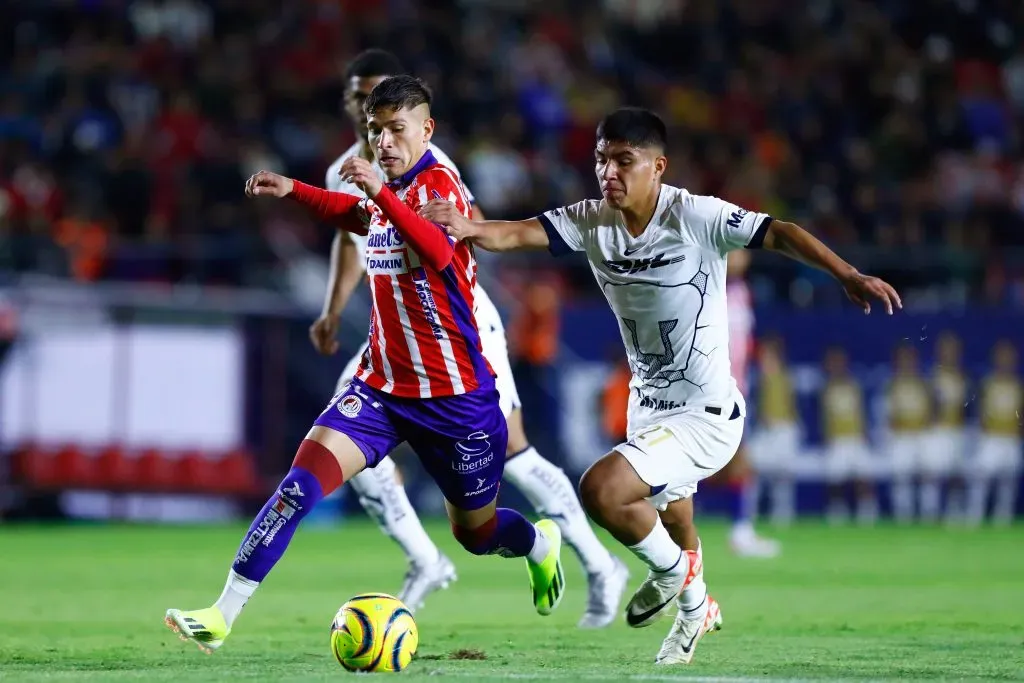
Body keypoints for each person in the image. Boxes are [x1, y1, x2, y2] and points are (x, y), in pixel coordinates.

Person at [419, 107, 901, 664]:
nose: (610, 173)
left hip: (705, 414)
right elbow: (519, 232)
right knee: (675, 520)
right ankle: (698, 608)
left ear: (658, 166)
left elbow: (779, 232)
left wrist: (847, 274)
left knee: (602, 489)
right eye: (602, 160)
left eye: (625, 161)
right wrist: (471, 227)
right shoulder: (591, 218)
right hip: (648, 406)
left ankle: (680, 583)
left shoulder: (696, 215)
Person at [164, 76, 565, 654]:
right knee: (298, 487)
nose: (384, 141)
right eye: (377, 130)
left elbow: (436, 247)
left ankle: (537, 544)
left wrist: (381, 192)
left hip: (456, 399)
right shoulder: (388, 190)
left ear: (426, 129)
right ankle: (222, 613)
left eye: (397, 129)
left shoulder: (439, 183)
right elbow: (362, 220)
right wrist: (294, 190)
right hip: (380, 388)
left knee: (475, 535)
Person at [312, 49, 626, 626]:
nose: (369, 110)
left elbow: (464, 232)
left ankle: (601, 564)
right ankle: (423, 558)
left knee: (514, 451)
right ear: (351, 103)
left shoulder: (429, 164)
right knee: (341, 430)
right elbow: (349, 235)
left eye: (380, 99)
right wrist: (333, 309)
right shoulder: (343, 172)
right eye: (360, 98)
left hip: (457, 324)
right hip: (394, 331)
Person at [820, 346, 877, 524]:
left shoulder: (853, 386)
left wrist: (864, 433)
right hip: (837, 439)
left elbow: (860, 413)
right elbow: (825, 416)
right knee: (835, 478)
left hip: (855, 437)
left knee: (864, 476)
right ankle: (838, 513)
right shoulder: (827, 388)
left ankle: (867, 513)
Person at [749, 334, 801, 526]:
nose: (763, 359)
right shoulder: (759, 378)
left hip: (784, 431)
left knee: (783, 477)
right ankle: (748, 514)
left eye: (767, 355)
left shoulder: (786, 377)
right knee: (751, 472)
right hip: (765, 432)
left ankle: (783, 517)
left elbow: (790, 407)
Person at [969, 340, 1022, 525]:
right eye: (1001, 356)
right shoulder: (988, 383)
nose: (1005, 360)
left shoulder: (1017, 385)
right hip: (990, 438)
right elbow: (980, 410)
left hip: (1011, 438)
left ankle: (1003, 516)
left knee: (1008, 481)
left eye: (1008, 357)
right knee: (981, 477)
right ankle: (975, 514)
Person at [885, 343, 931, 522]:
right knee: (901, 476)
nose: (907, 363)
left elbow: (931, 410)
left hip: (922, 435)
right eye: (902, 359)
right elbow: (887, 413)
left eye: (909, 359)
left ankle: (928, 514)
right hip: (901, 436)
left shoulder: (923, 383)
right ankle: (903, 515)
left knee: (928, 475)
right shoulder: (892, 385)